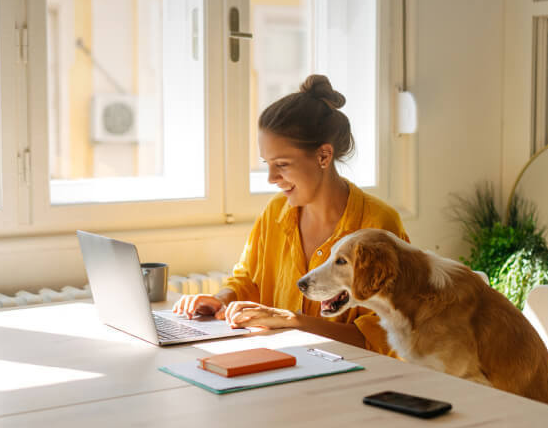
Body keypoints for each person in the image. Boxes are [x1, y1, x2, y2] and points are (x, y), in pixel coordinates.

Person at [172, 74, 409, 354]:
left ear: (323, 156)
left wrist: (294, 322)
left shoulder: (378, 225)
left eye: (282, 164)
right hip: (281, 365)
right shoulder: (276, 212)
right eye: (267, 164)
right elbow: (248, 280)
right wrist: (220, 299)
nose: (272, 177)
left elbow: (383, 339)